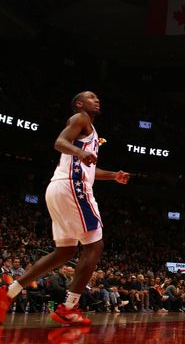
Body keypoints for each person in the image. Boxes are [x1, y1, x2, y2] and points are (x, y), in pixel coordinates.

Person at [0, 91, 130, 326]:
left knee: (65, 252)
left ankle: (8, 292)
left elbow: (89, 170)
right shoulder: (80, 118)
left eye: (98, 97)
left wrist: (113, 176)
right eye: (91, 97)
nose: (97, 99)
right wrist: (80, 152)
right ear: (80, 103)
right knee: (94, 245)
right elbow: (59, 143)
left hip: (61, 187)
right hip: (73, 187)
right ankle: (68, 307)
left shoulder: (90, 131)